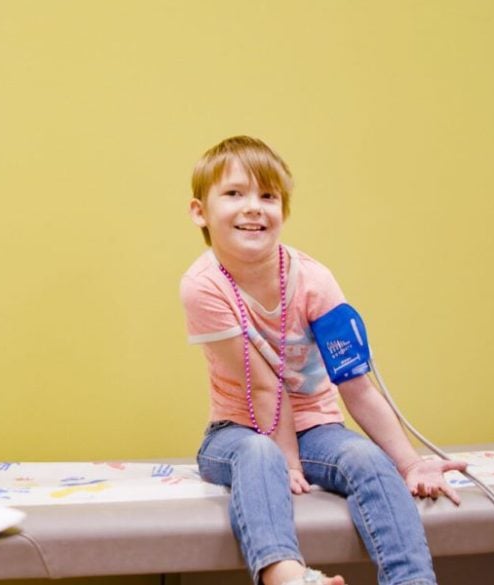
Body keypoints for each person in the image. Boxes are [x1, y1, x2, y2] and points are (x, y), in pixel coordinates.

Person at [180, 136, 467, 585]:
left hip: (317, 428)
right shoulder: (203, 286)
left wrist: (411, 464)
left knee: (369, 459)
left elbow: (356, 385)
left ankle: (412, 581)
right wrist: (287, 463)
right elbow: (264, 387)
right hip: (239, 432)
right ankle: (287, 577)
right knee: (260, 454)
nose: (254, 207)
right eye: (234, 193)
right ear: (200, 211)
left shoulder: (314, 279)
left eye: (268, 196)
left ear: (284, 210)